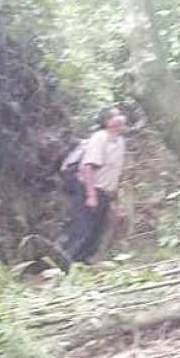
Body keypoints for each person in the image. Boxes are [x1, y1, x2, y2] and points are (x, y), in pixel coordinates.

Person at [59, 108, 128, 264]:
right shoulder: (100, 138)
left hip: (106, 193)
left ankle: (83, 264)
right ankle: (64, 264)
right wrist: (91, 195)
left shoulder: (120, 141)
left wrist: (117, 200)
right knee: (81, 229)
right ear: (107, 122)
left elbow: (115, 172)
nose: (120, 118)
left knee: (96, 232)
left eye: (120, 114)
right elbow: (88, 167)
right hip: (90, 190)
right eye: (115, 116)